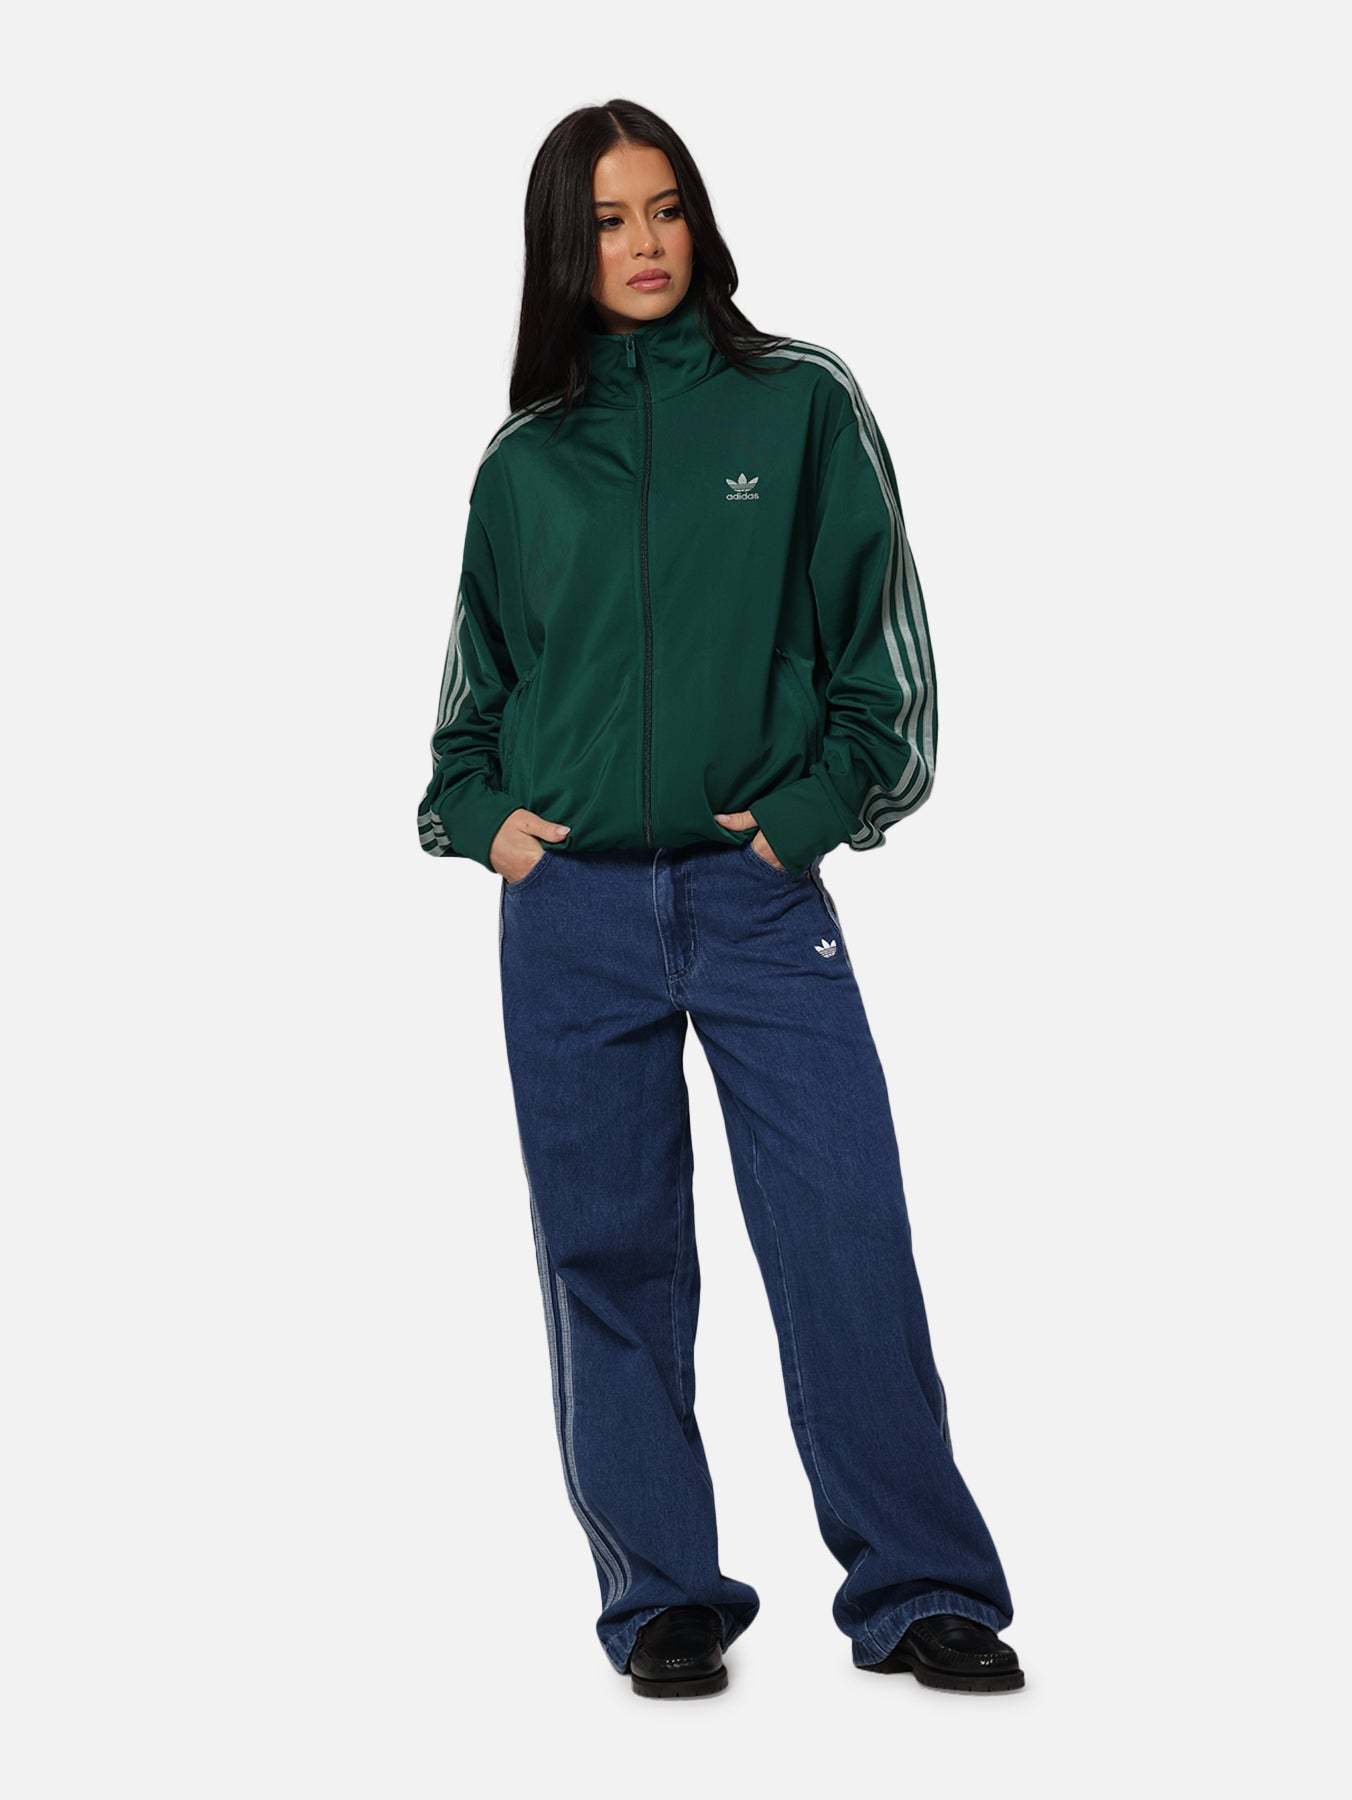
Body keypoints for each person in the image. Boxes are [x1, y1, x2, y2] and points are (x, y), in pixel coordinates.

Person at [418, 98, 1023, 1699]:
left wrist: (807, 820)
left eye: (667, 207)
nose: (645, 243)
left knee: (844, 1235)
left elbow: (886, 660)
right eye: (610, 219)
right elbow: (469, 710)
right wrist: (489, 828)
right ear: (563, 248)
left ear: (701, 218)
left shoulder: (798, 403)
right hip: (571, 917)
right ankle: (663, 1598)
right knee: (608, 1260)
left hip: (757, 906)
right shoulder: (526, 463)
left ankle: (922, 1589)